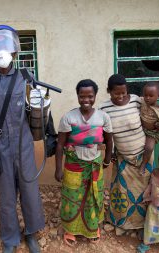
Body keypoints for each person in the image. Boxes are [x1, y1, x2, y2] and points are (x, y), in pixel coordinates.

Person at [0, 25, 44, 253]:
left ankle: (31, 233)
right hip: (0, 146)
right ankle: (10, 239)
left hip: (23, 144)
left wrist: (47, 132)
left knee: (30, 191)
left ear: (15, 53)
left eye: (7, 50)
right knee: (6, 197)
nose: (2, 55)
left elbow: (39, 110)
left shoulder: (26, 76)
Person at [99, 74, 159, 236]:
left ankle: (145, 224)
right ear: (109, 91)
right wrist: (110, 152)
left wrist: (157, 124)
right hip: (123, 158)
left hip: (144, 155)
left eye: (123, 93)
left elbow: (153, 107)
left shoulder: (136, 100)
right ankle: (123, 223)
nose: (120, 96)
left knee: (145, 190)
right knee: (122, 192)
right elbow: (106, 134)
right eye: (116, 93)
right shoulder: (104, 109)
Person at [55, 79, 113, 246]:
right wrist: (58, 169)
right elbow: (60, 145)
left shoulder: (103, 117)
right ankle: (71, 230)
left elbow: (109, 141)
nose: (86, 100)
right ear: (77, 96)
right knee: (72, 197)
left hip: (94, 164)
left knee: (94, 197)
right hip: (74, 164)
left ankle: (92, 228)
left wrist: (107, 160)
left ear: (95, 96)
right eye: (82, 96)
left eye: (90, 96)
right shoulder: (69, 117)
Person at [138, 82, 159, 175]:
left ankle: (143, 165)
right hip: (140, 129)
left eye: (151, 95)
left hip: (151, 132)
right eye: (146, 95)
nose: (147, 98)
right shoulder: (142, 101)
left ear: (158, 96)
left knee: (149, 147)